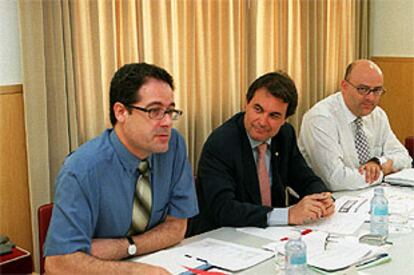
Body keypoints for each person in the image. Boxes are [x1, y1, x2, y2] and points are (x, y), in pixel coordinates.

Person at [44, 63, 198, 274]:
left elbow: (177, 227)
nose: (167, 122)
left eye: (170, 111)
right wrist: (136, 272)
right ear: (121, 112)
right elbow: (58, 263)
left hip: (159, 262)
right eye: (154, 111)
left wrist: (124, 247)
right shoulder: (81, 169)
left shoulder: (173, 146)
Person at [188, 71, 334, 236]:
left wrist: (322, 197)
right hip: (224, 235)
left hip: (271, 235)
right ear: (246, 104)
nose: (262, 121)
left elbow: (303, 177)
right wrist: (288, 214)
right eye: (258, 109)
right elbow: (224, 209)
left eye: (274, 115)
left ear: (285, 119)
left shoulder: (285, 134)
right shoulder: (221, 143)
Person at [299, 59, 412, 191]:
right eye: (363, 89)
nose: (371, 98)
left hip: (367, 194)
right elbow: (336, 180)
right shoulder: (320, 118)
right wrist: (382, 173)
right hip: (323, 201)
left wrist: (378, 162)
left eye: (377, 90)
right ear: (344, 86)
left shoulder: (377, 115)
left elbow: (405, 159)